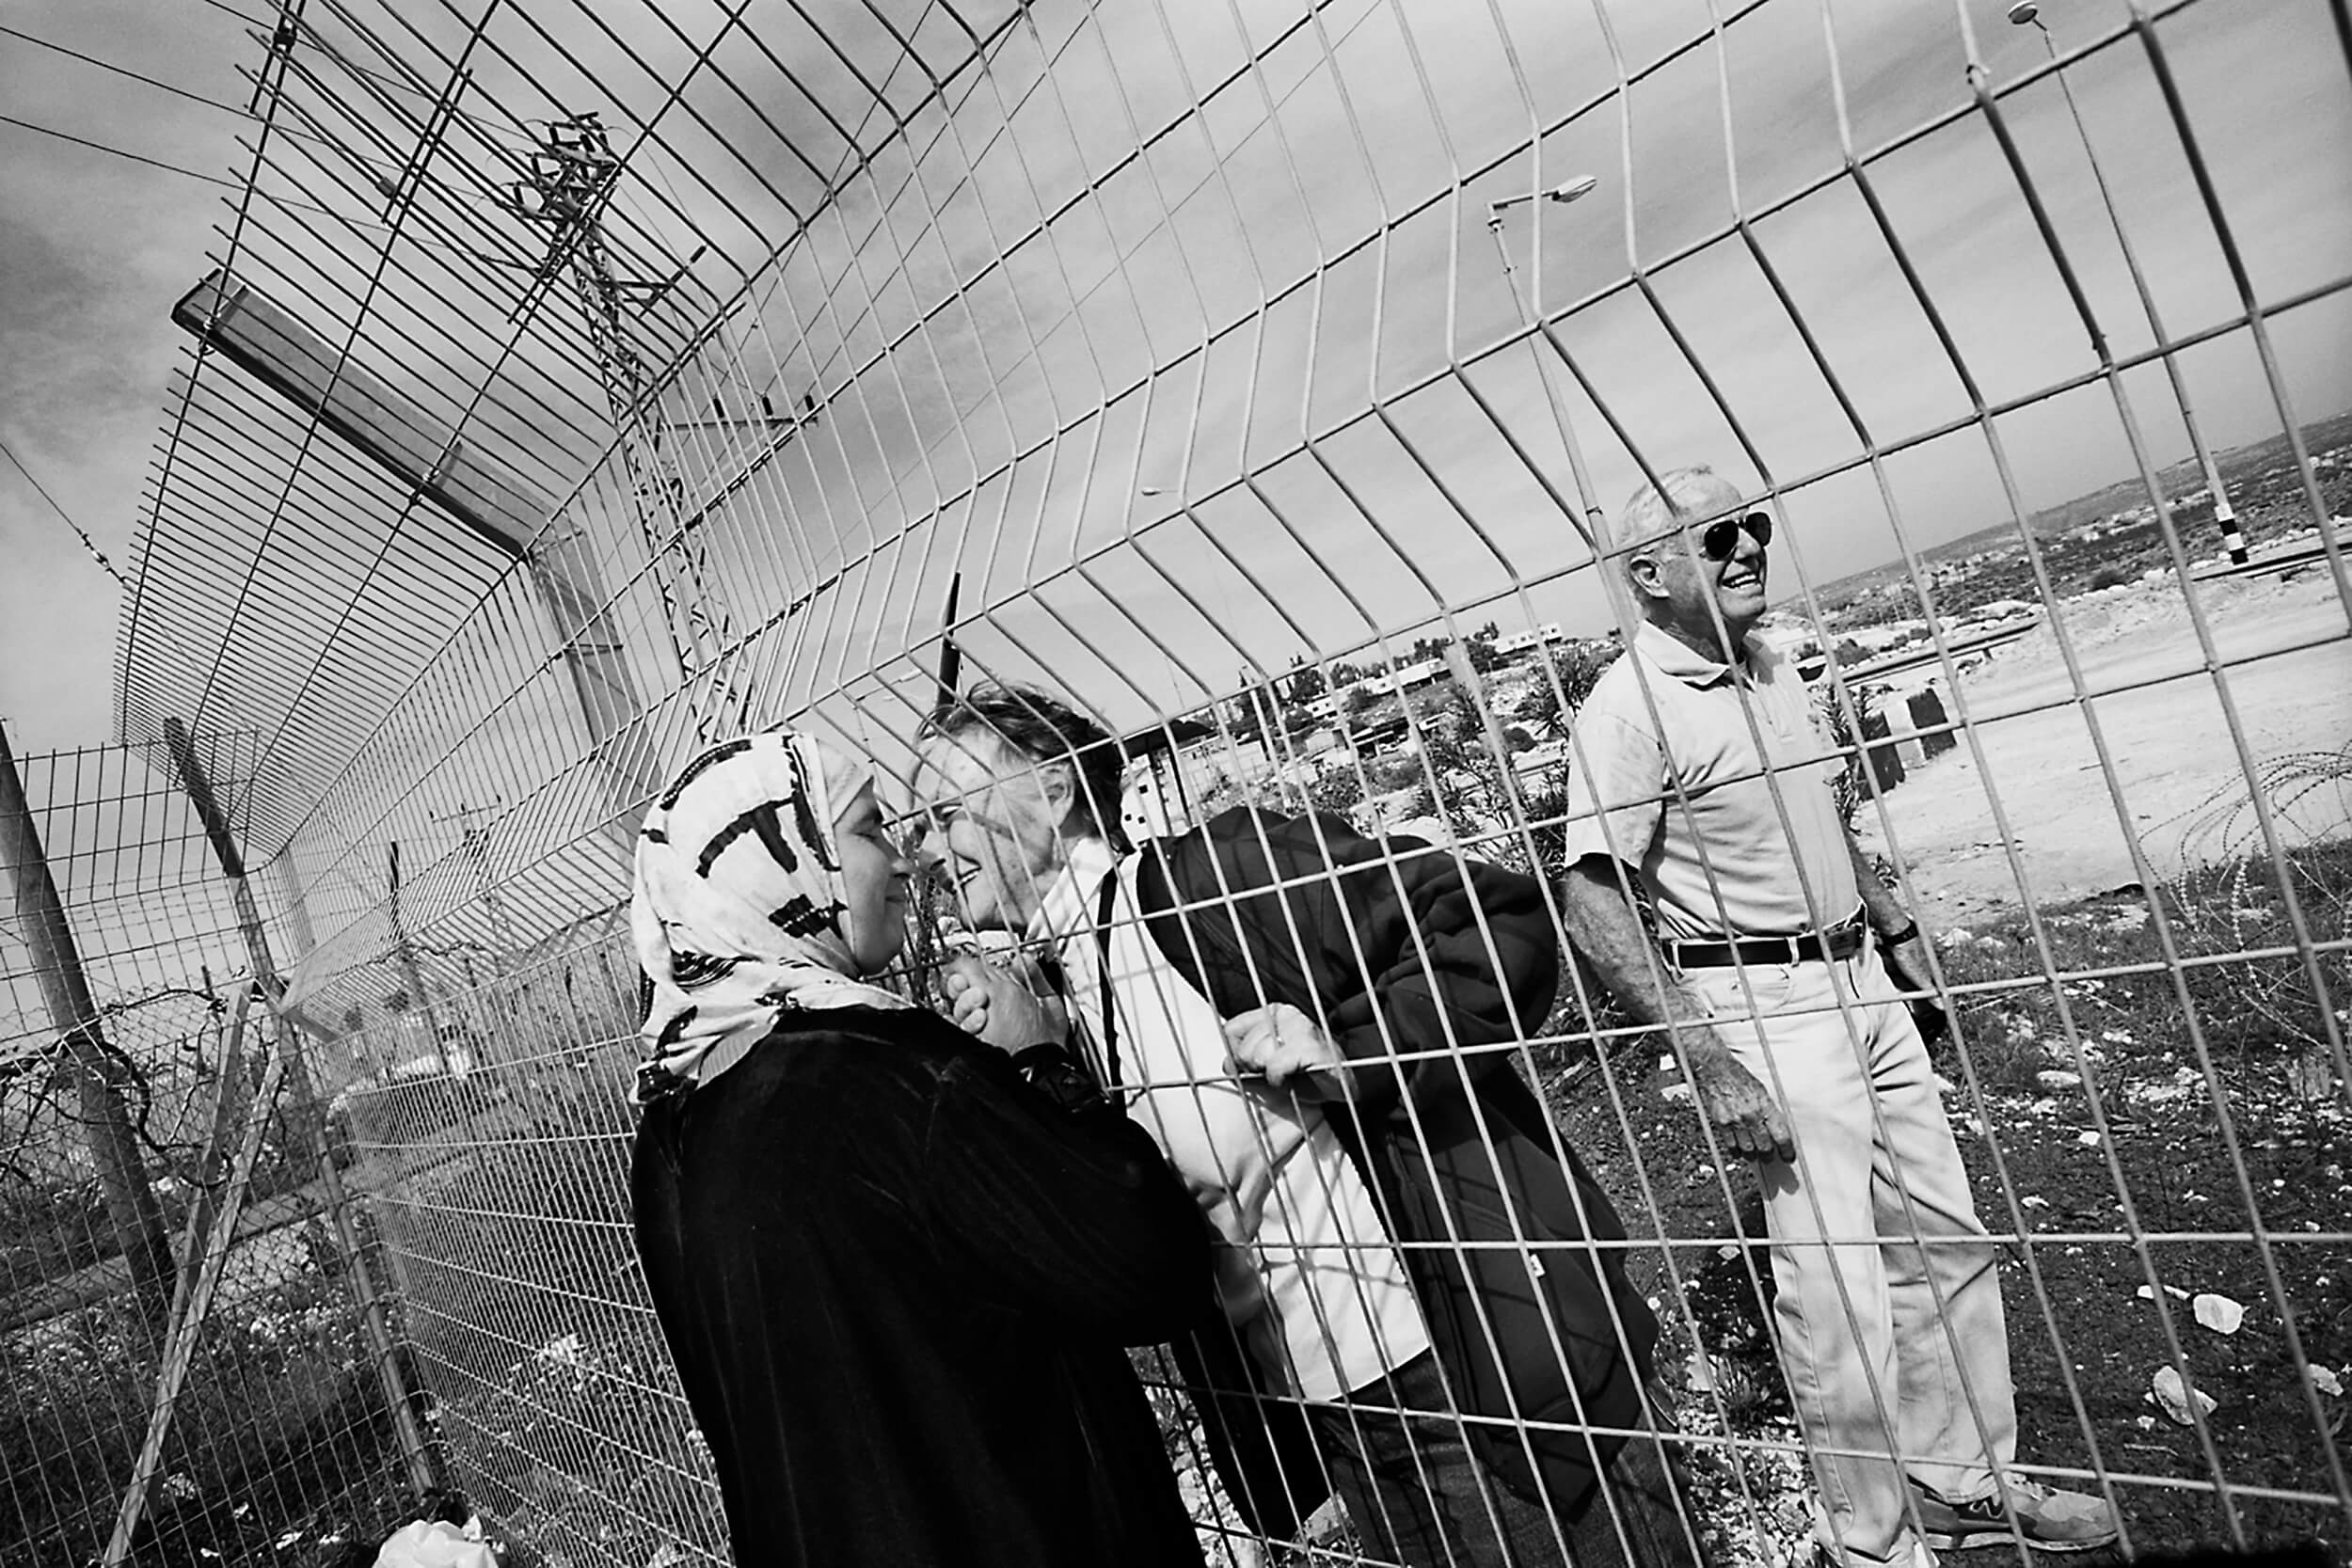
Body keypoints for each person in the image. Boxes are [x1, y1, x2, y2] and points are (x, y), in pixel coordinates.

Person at [912, 687, 1704, 1568]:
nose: (932, 852)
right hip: (1344, 1417)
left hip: (1467, 1377)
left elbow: (1491, 919)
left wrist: (1354, 1053)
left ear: (1053, 786)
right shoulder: (1070, 987)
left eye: (948, 813)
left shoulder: (1217, 879)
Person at [1553, 466, 2122, 1567]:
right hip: (1762, 1003)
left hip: (1858, 976)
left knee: (1943, 1236)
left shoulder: (1769, 662)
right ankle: (1873, 1543)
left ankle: (1963, 1478)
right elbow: (1590, 897)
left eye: (1753, 524)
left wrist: (1893, 925)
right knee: (1837, 1281)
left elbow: (1815, 812)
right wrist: (1710, 1060)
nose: (1747, 546)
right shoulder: (1629, 708)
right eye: (1717, 535)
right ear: (1647, 575)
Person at [627, 730, 1214, 1568]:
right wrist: (1042, 1059)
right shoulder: (891, 1077)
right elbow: (1155, 1272)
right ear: (786, 861)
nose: (904, 862)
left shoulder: (670, 1140)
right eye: (867, 832)